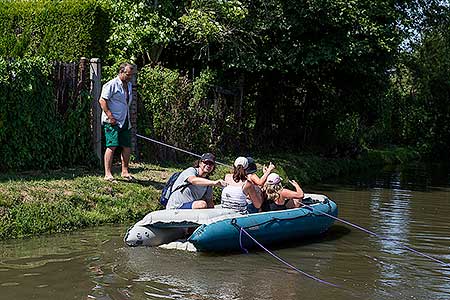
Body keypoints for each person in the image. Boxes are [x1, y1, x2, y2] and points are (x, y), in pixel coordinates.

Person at [99, 63, 136, 182]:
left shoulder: (129, 85)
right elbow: (102, 100)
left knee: (126, 146)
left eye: (131, 75)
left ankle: (125, 171)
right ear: (121, 72)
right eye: (128, 74)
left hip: (125, 120)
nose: (130, 77)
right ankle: (108, 174)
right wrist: (110, 116)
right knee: (112, 145)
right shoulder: (111, 84)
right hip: (112, 121)